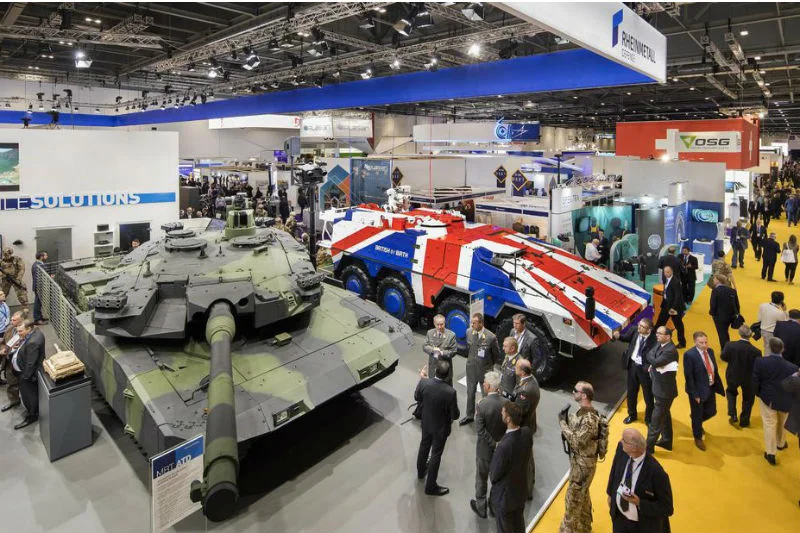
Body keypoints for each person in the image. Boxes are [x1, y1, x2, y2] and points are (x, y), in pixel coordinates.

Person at [606, 429, 674, 533]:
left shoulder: (657, 473)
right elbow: (615, 468)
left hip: (642, 526)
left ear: (633, 448)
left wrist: (640, 503)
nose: (621, 441)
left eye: (624, 440)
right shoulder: (621, 449)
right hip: (619, 519)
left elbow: (667, 508)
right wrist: (610, 493)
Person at [558, 381, 603, 533]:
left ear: (583, 395)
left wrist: (563, 424)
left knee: (573, 501)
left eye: (575, 390)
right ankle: (584, 528)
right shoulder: (582, 412)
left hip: (583, 467)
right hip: (580, 463)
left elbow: (577, 442)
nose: (573, 392)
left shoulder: (589, 419)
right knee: (582, 498)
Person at [415, 360, 460, 495]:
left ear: (435, 371)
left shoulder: (424, 382)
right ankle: (430, 487)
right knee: (436, 455)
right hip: (441, 428)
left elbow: (417, 397)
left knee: (424, 446)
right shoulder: (450, 392)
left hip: (427, 422)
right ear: (447, 375)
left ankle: (421, 472)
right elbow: (455, 415)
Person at [753, 337, 799, 465]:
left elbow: (755, 380)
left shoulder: (760, 362)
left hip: (768, 399)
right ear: (783, 349)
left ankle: (770, 453)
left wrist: (759, 394)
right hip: (786, 401)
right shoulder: (793, 367)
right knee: (782, 422)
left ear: (769, 347)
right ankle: (781, 443)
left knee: (769, 425)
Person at [490, 402, 532, 533]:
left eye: (503, 412)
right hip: (520, 492)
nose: (501, 413)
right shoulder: (527, 434)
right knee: (519, 525)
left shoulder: (504, 446)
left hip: (505, 498)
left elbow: (494, 475)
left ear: (508, 419)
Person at [470, 370, 507, 519]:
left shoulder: (482, 405)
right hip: (501, 452)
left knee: (481, 478)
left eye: (485, 383)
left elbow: (480, 430)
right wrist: (499, 444)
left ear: (488, 387)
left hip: (485, 451)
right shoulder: (506, 403)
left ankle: (481, 507)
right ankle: (493, 506)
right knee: (497, 480)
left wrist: (493, 444)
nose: (483, 384)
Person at [683, 332, 724, 451]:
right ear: (695, 342)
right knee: (697, 414)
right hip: (696, 391)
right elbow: (689, 377)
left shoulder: (710, 351)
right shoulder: (689, 355)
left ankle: (696, 421)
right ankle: (698, 437)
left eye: (706, 342)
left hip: (710, 387)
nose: (704, 345)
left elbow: (713, 368)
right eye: (701, 343)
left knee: (712, 411)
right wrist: (694, 394)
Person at [614, 318, 656, 424]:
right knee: (631, 393)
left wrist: (651, 366)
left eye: (642, 327)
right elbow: (626, 338)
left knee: (648, 396)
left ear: (649, 329)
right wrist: (619, 336)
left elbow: (658, 356)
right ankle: (632, 415)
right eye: (639, 325)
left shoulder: (655, 339)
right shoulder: (634, 330)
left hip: (645, 370)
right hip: (632, 366)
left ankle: (648, 418)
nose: (639, 327)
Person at [645, 326, 679, 454]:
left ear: (668, 337)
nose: (657, 335)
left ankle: (648, 448)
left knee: (656, 420)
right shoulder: (660, 344)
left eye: (660, 333)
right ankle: (666, 440)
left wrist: (653, 363)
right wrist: (653, 362)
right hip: (660, 388)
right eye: (657, 333)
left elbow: (654, 361)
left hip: (665, 392)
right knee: (664, 415)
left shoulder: (670, 351)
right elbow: (650, 354)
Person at [462, 313, 500, 426]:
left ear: (481, 323)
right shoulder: (469, 332)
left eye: (474, 323)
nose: (472, 325)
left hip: (485, 372)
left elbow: (496, 355)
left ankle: (485, 418)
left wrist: (488, 366)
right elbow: (469, 349)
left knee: (486, 396)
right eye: (471, 322)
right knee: (470, 394)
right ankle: (469, 416)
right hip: (471, 369)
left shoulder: (491, 337)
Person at [721, 325, 762, 427]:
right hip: (748, 378)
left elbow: (723, 357)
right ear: (750, 335)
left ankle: (732, 414)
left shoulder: (730, 345)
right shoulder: (756, 351)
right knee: (748, 398)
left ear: (739, 333)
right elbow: (757, 366)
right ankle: (744, 420)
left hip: (732, 374)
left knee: (731, 392)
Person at [9, 319, 45, 429]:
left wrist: (25, 377)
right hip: (24, 371)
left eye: (20, 331)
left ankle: (32, 415)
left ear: (29, 329)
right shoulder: (35, 332)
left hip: (27, 376)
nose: (18, 334)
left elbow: (31, 363)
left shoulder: (33, 342)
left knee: (29, 396)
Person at [513, 358, 540, 500]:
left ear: (522, 371)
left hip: (524, 427)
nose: (515, 367)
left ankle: (527, 490)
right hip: (529, 423)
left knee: (526, 460)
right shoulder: (531, 380)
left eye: (517, 366)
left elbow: (518, 411)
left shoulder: (525, 390)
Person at [654, 266, 686, 348]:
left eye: (667, 272)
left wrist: (673, 308)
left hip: (674, 307)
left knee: (678, 325)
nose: (666, 274)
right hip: (666, 305)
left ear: (671, 272)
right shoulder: (665, 279)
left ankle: (682, 343)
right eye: (664, 272)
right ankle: (653, 339)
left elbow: (677, 296)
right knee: (660, 322)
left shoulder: (676, 281)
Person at [423, 314, 457, 386]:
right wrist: (433, 350)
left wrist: (441, 352)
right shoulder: (430, 333)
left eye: (441, 324)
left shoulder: (451, 335)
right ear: (434, 323)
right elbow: (425, 346)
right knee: (433, 390)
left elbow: (453, 351)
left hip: (445, 370)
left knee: (447, 392)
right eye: (437, 324)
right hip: (433, 368)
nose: (439, 327)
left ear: (445, 323)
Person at [709, 274, 740, 350]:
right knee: (725, 332)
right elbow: (737, 304)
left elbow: (713, 304)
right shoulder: (732, 290)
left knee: (722, 334)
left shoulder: (715, 291)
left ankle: (725, 351)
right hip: (731, 316)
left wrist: (712, 313)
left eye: (714, 279)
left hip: (719, 317)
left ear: (718, 281)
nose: (713, 280)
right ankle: (727, 348)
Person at [31, 251, 48, 325]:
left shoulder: (38, 264)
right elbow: (39, 278)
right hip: (39, 287)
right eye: (45, 255)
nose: (47, 257)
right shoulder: (37, 266)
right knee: (37, 303)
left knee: (39, 303)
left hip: (40, 287)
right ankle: (37, 319)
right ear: (41, 257)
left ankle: (40, 317)